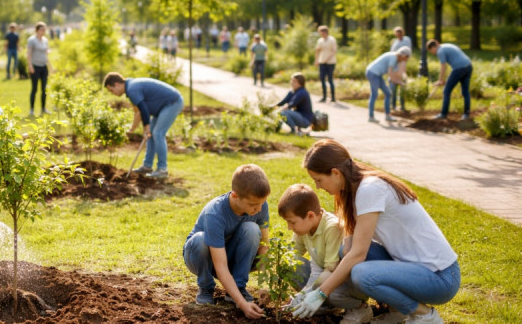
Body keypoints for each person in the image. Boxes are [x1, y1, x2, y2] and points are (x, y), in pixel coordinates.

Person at [293, 139, 460, 324]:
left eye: (318, 179)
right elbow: (349, 248)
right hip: (414, 268)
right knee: (344, 252)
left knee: (363, 274)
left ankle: (425, 316)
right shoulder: (352, 190)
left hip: (441, 278)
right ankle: (398, 311)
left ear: (335, 173)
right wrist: (313, 287)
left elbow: (358, 255)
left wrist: (321, 293)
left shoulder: (369, 189)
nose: (317, 186)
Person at [183, 164, 270, 319]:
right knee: (200, 240)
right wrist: (243, 305)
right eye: (252, 204)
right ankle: (206, 287)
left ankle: (237, 287)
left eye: (261, 203)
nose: (258, 209)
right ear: (235, 195)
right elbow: (220, 265)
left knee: (252, 229)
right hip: (201, 257)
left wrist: (264, 284)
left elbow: (263, 246)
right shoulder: (215, 213)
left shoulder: (260, 206)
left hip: (229, 256)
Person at [279, 184, 372, 323]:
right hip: (323, 276)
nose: (289, 228)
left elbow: (331, 270)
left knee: (331, 295)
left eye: (292, 222)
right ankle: (324, 306)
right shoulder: (303, 229)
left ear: (310, 215)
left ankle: (360, 307)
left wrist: (306, 293)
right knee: (287, 264)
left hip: (346, 283)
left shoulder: (332, 228)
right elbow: (291, 255)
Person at [103, 72, 183, 179]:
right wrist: (132, 129)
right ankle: (147, 166)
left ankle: (162, 169)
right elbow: (139, 112)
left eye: (111, 90)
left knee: (158, 134)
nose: (112, 93)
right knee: (150, 135)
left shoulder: (132, 89)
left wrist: (146, 127)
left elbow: (144, 110)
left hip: (172, 103)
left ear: (117, 84)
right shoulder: (130, 87)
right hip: (162, 107)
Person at [426, 39, 473, 121]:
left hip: (459, 69)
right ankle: (466, 114)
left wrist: (440, 80)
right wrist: (444, 79)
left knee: (446, 91)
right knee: (465, 91)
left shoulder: (440, 51)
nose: (432, 53)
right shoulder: (446, 45)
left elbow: (443, 66)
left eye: (431, 51)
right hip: (468, 66)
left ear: (433, 47)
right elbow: (449, 64)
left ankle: (443, 114)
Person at [365, 47, 411, 123]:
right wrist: (401, 83)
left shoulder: (396, 60)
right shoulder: (393, 58)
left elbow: (395, 74)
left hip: (378, 75)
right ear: (403, 55)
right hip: (372, 73)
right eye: (406, 57)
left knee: (388, 93)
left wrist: (403, 80)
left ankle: (388, 115)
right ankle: (371, 116)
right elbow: (390, 74)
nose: (406, 59)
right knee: (374, 94)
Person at [27, 22, 52, 116]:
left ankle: (43, 108)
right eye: (42, 29)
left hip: (44, 66)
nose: (43, 31)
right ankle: (32, 109)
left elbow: (46, 52)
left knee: (44, 89)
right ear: (37, 30)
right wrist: (30, 66)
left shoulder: (45, 40)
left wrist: (50, 66)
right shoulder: (32, 40)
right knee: (34, 89)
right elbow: (29, 53)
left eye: (44, 29)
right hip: (35, 66)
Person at [390, 27, 412, 112]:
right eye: (397, 34)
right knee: (394, 86)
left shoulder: (407, 40)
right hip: (395, 64)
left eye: (400, 33)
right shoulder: (395, 42)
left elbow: (409, 51)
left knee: (403, 83)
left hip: (402, 63)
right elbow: (392, 52)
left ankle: (402, 106)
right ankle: (394, 106)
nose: (398, 35)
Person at [315, 26, 337, 103]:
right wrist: (317, 60)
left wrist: (326, 60)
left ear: (325, 32)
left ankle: (333, 97)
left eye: (321, 32)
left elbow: (333, 51)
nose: (321, 34)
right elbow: (317, 50)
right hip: (322, 63)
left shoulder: (332, 40)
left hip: (330, 62)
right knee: (322, 79)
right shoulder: (320, 41)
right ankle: (324, 97)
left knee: (330, 80)